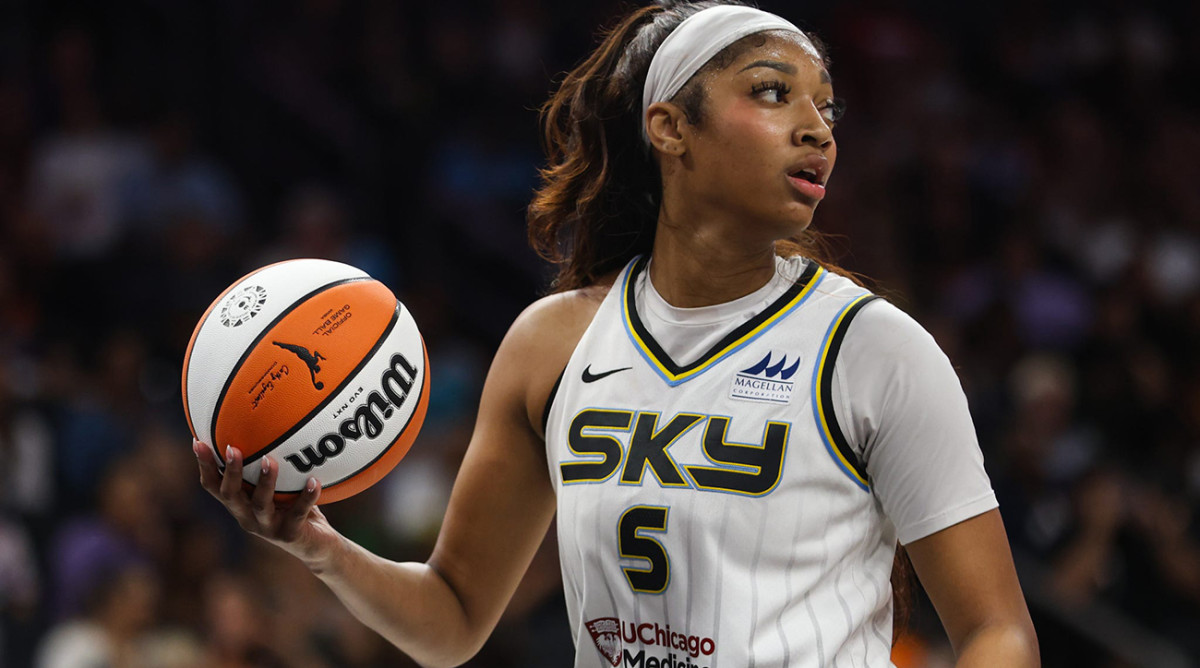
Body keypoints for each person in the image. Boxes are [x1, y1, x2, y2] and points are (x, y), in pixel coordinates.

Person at [193, 1, 1040, 666]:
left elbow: (998, 630)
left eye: (826, 106)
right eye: (774, 93)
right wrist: (315, 545)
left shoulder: (876, 349)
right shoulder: (549, 347)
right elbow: (451, 621)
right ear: (669, 128)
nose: (818, 127)